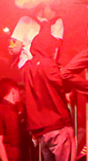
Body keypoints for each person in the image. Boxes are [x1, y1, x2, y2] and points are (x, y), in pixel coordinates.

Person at [21, 28, 75, 161]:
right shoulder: (48, 64)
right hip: (58, 124)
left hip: (41, 130)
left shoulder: (27, 67)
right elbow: (62, 83)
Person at [0, 78, 27, 161]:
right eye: (18, 91)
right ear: (13, 91)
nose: (19, 94)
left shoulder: (16, 110)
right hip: (9, 157)